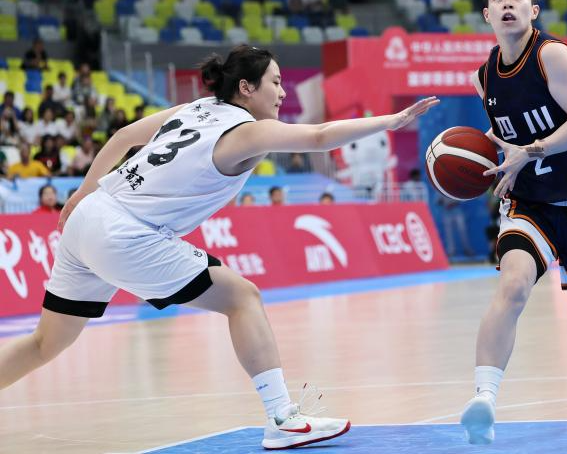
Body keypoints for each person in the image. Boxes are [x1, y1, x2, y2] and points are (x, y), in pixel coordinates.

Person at [0, 44, 438, 450]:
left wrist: (80, 194)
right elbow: (320, 136)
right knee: (242, 297)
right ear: (246, 88)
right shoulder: (247, 132)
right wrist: (390, 122)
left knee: (44, 343)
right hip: (126, 233)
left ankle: (283, 418)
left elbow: (123, 137)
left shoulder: (196, 107)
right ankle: (282, 418)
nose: (283, 92)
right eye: (276, 82)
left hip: (90, 216)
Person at [460, 0, 567, 445]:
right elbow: (505, 135)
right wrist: (497, 159)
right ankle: (484, 400)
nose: (508, 4)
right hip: (530, 202)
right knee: (512, 286)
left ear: (533, 9)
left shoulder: (553, 56)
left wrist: (528, 152)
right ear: (487, 13)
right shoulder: (484, 77)